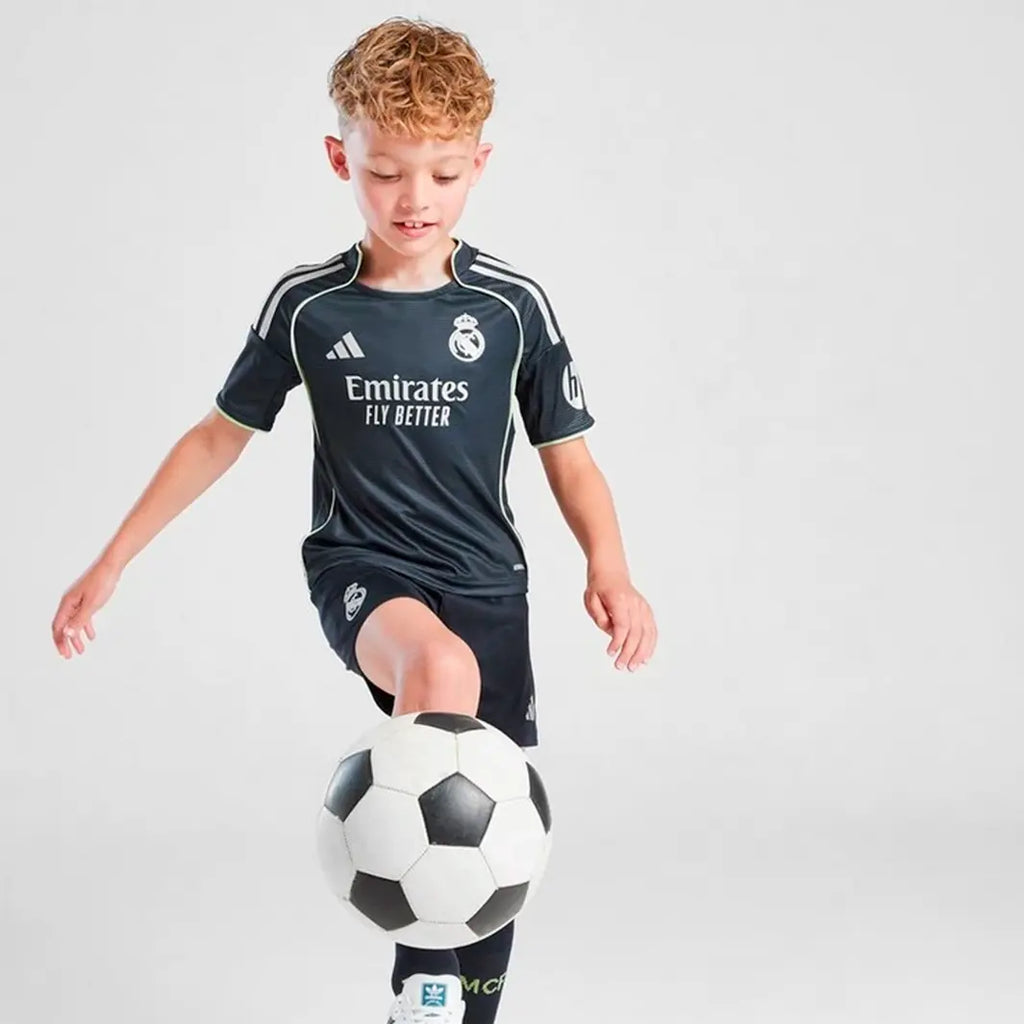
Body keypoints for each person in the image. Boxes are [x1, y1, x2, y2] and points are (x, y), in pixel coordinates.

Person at [50, 16, 658, 1024]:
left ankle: (454, 1009)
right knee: (440, 679)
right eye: (385, 173)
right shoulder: (309, 305)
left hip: (487, 582)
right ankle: (422, 1000)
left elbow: (572, 456)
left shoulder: (511, 307)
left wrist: (611, 565)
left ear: (479, 166)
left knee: (485, 814)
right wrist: (113, 560)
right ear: (341, 159)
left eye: (443, 174)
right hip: (363, 566)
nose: (415, 198)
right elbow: (217, 435)